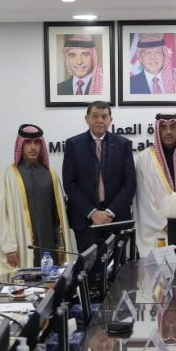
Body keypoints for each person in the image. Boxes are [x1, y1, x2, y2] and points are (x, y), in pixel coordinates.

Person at [0, 124, 71, 273]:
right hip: (21, 244)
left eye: (37, 142)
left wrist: (61, 245)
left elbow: (58, 215)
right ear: (20, 145)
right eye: (28, 143)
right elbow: (1, 215)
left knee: (50, 281)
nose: (33, 147)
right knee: (25, 283)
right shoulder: (8, 175)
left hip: (49, 244)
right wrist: (9, 247)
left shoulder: (51, 174)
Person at [63, 101, 136, 252]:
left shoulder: (123, 144)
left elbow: (130, 183)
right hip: (85, 220)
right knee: (88, 265)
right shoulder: (73, 144)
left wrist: (110, 212)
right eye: (95, 116)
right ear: (86, 118)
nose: (100, 120)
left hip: (116, 219)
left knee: (118, 265)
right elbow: (70, 184)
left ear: (110, 119)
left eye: (104, 116)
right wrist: (92, 213)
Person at [134, 113, 176, 255]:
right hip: (157, 229)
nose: (168, 132)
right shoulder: (144, 159)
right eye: (163, 127)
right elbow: (143, 200)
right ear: (157, 130)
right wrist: (163, 223)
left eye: (172, 127)